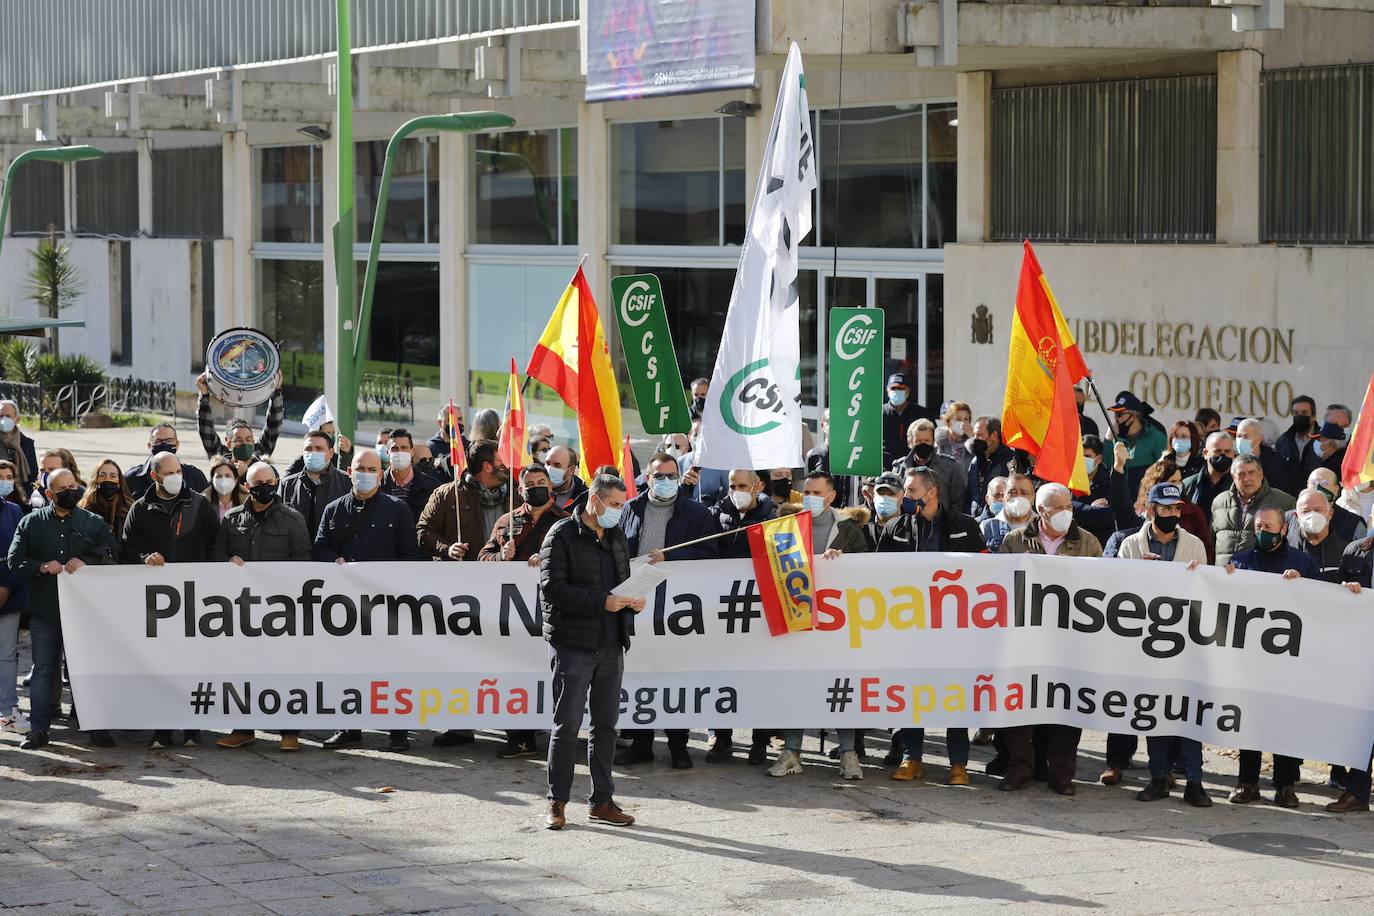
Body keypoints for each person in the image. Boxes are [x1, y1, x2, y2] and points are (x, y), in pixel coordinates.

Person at [540, 473, 642, 830]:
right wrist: (604, 602)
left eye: (621, 506)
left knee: (606, 726)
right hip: (573, 644)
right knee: (566, 725)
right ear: (594, 500)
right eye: (613, 505)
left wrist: (630, 602)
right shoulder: (561, 535)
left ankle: (602, 800)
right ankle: (557, 801)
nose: (618, 512)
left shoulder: (615, 536)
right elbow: (552, 589)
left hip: (612, 642)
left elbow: (621, 585)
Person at [876, 467, 984, 785]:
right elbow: (875, 571)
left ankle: (958, 763)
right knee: (913, 691)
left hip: (955, 627)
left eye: (910, 491)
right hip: (910, 626)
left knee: (955, 692)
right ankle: (913, 758)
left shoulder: (965, 526)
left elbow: (987, 571)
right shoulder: (895, 527)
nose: (905, 497)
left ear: (931, 491)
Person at [998, 483, 1103, 795]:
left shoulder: (1087, 542)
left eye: (1068, 507)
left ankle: (1062, 774)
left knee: (1066, 705)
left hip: (1069, 640)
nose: (1065, 513)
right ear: (1040, 510)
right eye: (1058, 508)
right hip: (1025, 638)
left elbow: (1103, 587)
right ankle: (1019, 769)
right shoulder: (1015, 541)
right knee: (1019, 706)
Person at [617, 451, 719, 770]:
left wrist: (671, 559)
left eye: (670, 476)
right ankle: (642, 744)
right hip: (637, 604)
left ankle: (678, 745)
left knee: (676, 674)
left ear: (679, 477)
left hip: (679, 610)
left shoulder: (697, 513)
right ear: (648, 478)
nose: (664, 481)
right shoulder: (629, 510)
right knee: (641, 671)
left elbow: (711, 555)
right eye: (658, 476)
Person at [1113, 482, 1213, 806]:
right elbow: (1118, 591)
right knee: (1154, 711)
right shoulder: (1130, 544)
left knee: (1187, 712)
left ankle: (1194, 781)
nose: (1171, 514)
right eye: (1165, 508)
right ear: (1152, 509)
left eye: (1175, 509)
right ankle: (1158, 777)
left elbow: (1208, 592)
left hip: (1185, 639)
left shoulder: (1195, 544)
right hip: (1147, 640)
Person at [314, 449, 420, 752]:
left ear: (380, 472)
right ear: (350, 471)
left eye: (372, 469)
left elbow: (410, 556)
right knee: (348, 667)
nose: (365, 473)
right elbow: (319, 548)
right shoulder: (333, 509)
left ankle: (398, 732)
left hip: (386, 606)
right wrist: (334, 561)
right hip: (345, 608)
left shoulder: (397, 509)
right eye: (360, 468)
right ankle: (350, 728)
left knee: (392, 669)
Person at [9, 468, 118, 749]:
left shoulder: (93, 522)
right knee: (44, 669)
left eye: (74, 486)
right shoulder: (31, 523)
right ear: (49, 494)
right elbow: (14, 560)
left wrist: (86, 559)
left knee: (88, 670)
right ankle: (39, 730)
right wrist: (41, 567)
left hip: (85, 615)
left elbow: (112, 551)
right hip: (45, 611)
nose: (72, 492)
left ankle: (96, 726)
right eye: (64, 489)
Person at [1225, 506, 1323, 808]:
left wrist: (1301, 587)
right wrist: (1225, 578)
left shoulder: (1303, 563)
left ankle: (1284, 785)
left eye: (1268, 527)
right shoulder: (1241, 561)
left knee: (1285, 721)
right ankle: (1248, 783)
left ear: (1283, 529)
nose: (1262, 532)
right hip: (1251, 658)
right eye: (1258, 526)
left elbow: (1319, 606)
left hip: (1288, 659)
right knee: (1249, 720)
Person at [121, 450, 220, 749]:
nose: (177, 476)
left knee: (192, 664)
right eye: (170, 472)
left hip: (195, 599)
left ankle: (192, 728)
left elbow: (216, 542)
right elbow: (126, 548)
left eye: (179, 470)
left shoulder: (199, 504)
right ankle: (162, 729)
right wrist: (144, 557)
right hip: (158, 604)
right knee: (161, 666)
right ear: (155, 476)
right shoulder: (140, 509)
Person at [211, 462, 312, 751]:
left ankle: (289, 732)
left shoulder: (293, 519)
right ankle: (243, 729)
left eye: (269, 481)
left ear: (278, 481)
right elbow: (217, 554)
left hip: (281, 611)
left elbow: (304, 562)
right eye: (257, 484)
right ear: (246, 486)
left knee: (284, 670)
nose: (264, 487)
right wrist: (227, 562)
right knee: (243, 669)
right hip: (242, 610)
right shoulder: (232, 519)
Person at [478, 464, 567, 759]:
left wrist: (547, 560)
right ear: (520, 490)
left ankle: (556, 732)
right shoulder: (507, 521)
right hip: (513, 618)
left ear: (550, 486)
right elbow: (483, 557)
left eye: (542, 481)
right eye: (530, 483)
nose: (537, 486)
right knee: (514, 673)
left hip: (551, 616)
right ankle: (519, 736)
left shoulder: (565, 522)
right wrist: (501, 556)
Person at [705, 469, 779, 763]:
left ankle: (759, 740)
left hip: (760, 610)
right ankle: (721, 737)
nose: (736, 490)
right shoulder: (716, 515)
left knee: (759, 676)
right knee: (721, 673)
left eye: (743, 485)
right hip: (724, 609)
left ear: (758, 486)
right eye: (732, 485)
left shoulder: (774, 517)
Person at [1211, 453, 1296, 567]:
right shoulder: (1219, 502)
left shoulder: (1285, 502)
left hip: (1261, 576)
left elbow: (1292, 543)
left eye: (1251, 473)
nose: (1247, 478)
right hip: (1223, 575)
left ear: (1261, 474)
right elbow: (1211, 541)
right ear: (1233, 477)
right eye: (1241, 474)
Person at [195, 371, 283, 464]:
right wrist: (204, 394)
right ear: (228, 442)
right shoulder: (222, 460)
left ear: (253, 442)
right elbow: (206, 430)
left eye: (248, 439)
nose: (244, 444)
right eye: (238, 440)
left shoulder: (259, 456)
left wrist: (275, 390)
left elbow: (274, 424)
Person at [280, 430, 352, 537]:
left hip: (332, 552)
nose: (313, 453)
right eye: (308, 449)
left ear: (331, 453)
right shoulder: (287, 485)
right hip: (296, 551)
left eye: (319, 449)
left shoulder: (347, 483)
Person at [0, 461, 27, 735]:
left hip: (9, 595)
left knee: (6, 654)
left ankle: (7, 709)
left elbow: (17, 553)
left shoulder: (15, 511)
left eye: (9, 477)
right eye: (1, 477)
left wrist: (7, 587)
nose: (5, 482)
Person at [892, 418, 967, 516]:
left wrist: (951, 524)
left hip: (941, 524)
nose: (923, 444)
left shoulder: (950, 466)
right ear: (910, 442)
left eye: (927, 440)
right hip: (909, 524)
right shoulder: (900, 467)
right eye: (918, 441)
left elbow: (958, 500)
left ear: (933, 441)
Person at [127, 423, 210, 501]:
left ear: (177, 445)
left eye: (169, 441)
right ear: (150, 445)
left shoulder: (195, 477)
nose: (164, 445)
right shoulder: (132, 478)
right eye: (158, 441)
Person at [1287, 487, 1352, 583]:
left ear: (1330, 514)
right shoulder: (1285, 549)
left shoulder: (1346, 552)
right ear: (1296, 516)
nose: (1312, 515)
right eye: (1306, 511)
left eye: (1318, 510)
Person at [1107, 391, 1167, 492]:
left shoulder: (1156, 436)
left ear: (1134, 416)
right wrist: (1108, 440)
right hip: (1120, 496)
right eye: (1115, 414)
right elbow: (1107, 465)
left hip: (1144, 498)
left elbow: (1162, 472)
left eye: (1119, 414)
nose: (1115, 419)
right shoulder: (1116, 438)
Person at [380, 428, 439, 522]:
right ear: (388, 453)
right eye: (395, 449)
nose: (399, 452)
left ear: (412, 452)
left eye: (404, 448)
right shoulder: (377, 485)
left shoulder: (432, 487)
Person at [1181, 431, 1236, 527]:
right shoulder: (1188, 485)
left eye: (1227, 452)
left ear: (1233, 454)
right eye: (1217, 451)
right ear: (1205, 453)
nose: (1223, 456)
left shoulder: (1238, 486)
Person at [881, 373, 934, 469]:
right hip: (884, 468)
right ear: (887, 390)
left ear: (908, 391)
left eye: (901, 388)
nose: (897, 391)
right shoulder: (880, 414)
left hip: (914, 467)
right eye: (893, 389)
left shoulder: (921, 413)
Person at [966, 416, 1015, 517]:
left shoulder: (1010, 460)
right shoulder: (975, 461)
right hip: (974, 520)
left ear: (994, 435)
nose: (975, 439)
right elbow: (970, 493)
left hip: (998, 518)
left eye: (979, 435)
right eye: (974, 435)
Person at [1306, 467, 1369, 543]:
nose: (1318, 488)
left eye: (1325, 483)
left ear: (1336, 489)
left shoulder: (1354, 525)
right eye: (1313, 483)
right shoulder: (1292, 517)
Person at [981, 472, 1036, 553]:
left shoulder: (1042, 527)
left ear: (1033, 497)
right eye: (1012, 493)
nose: (1018, 497)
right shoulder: (987, 527)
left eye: (1024, 493)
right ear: (1003, 496)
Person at [77, 459, 135, 534]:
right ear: (96, 480)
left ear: (119, 482)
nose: (107, 479)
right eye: (102, 476)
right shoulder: (84, 510)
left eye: (113, 476)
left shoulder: (129, 510)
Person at [1275, 395, 1318, 483]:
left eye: (1304, 413)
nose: (1300, 416)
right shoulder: (1283, 440)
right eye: (1296, 413)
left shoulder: (1322, 440)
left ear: (1313, 417)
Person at [0, 400, 37, 495]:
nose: (3, 419)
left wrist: (27, 497)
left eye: (8, 416)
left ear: (17, 419)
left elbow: (33, 474)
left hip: (21, 496)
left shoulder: (26, 443)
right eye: (1, 416)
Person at [860, 474, 906, 550]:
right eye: (880, 493)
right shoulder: (860, 526)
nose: (885, 498)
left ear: (902, 497)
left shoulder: (912, 527)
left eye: (891, 494)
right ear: (874, 496)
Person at [545, 445, 587, 511]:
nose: (549, 469)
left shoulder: (584, 497)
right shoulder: (534, 488)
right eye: (547, 464)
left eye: (557, 465)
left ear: (571, 470)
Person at [204, 455, 245, 522]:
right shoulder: (203, 503)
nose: (223, 480)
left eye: (227, 476)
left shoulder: (246, 502)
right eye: (219, 476)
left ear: (236, 480)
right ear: (212, 480)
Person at [936, 400, 976, 464]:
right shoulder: (939, 442)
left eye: (966, 419)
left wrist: (972, 437)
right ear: (949, 422)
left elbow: (980, 460)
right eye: (958, 419)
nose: (963, 423)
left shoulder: (971, 441)